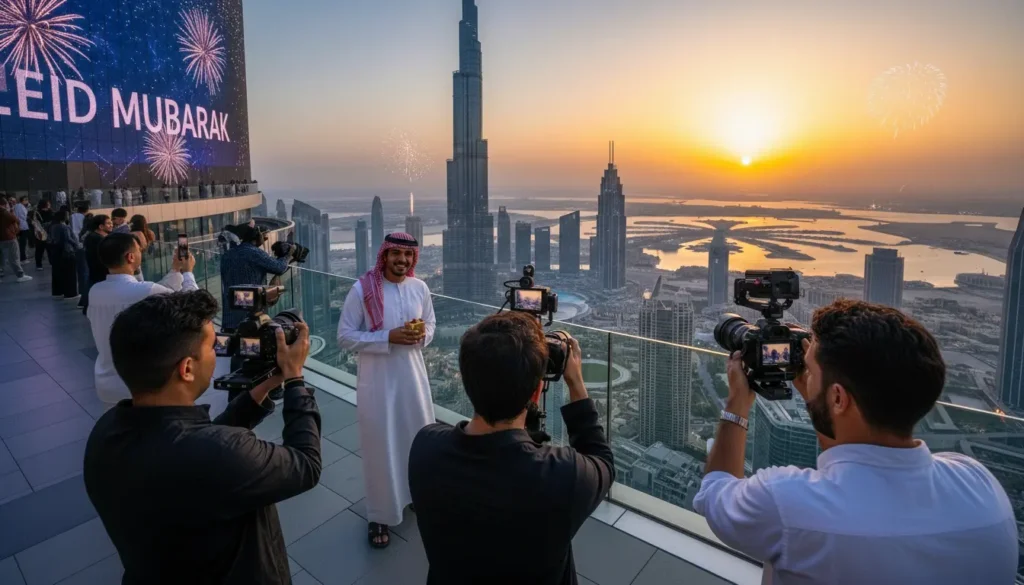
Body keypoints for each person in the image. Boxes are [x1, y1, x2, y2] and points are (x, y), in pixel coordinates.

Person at [693, 300, 1017, 585]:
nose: (803, 373)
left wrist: (738, 401)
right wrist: (820, 398)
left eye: (809, 369)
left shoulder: (787, 503)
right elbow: (854, 466)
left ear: (838, 397)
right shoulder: (980, 484)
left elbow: (713, 492)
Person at [84, 289, 320, 584]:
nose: (219, 351)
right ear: (186, 368)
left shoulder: (106, 432)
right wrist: (296, 379)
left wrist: (267, 385)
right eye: (212, 346)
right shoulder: (218, 454)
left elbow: (199, 442)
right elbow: (306, 464)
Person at [409, 312, 614, 584]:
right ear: (536, 391)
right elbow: (602, 460)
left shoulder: (425, 447)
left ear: (467, 382)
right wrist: (575, 381)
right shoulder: (562, 478)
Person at [338, 232, 436, 548]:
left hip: (413, 381)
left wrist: (423, 337)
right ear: (385, 255)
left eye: (408, 256)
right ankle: (379, 513)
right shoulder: (361, 290)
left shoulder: (420, 288)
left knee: (415, 440)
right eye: (396, 254)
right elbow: (345, 336)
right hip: (377, 383)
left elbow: (431, 324)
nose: (402, 261)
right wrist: (387, 338)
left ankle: (413, 496)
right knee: (382, 447)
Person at [87, 232, 199, 405]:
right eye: (139, 250)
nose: (142, 253)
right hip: (141, 386)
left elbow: (155, 291)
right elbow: (193, 303)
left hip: (106, 383)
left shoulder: (95, 292)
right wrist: (188, 273)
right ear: (130, 257)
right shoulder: (146, 292)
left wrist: (175, 270)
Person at [219, 224, 290, 331]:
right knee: (250, 346)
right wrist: (288, 255)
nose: (265, 239)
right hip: (250, 319)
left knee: (232, 345)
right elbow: (279, 267)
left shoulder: (227, 255)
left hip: (229, 318)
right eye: (264, 236)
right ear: (257, 236)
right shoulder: (254, 253)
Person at [81, 214, 112, 314]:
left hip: (96, 270)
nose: (111, 225)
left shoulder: (92, 236)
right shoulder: (97, 239)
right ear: (101, 226)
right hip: (100, 270)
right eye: (108, 223)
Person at [47, 210, 80, 299]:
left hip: (56, 252)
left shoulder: (52, 226)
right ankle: (71, 293)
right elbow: (68, 238)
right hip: (67, 251)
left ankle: (58, 291)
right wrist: (77, 245)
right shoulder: (65, 227)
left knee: (57, 272)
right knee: (70, 274)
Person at [0, 204, 32, 282]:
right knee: (14, 256)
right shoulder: (4, 212)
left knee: (1, 257)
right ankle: (20, 275)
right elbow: (15, 219)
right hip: (9, 236)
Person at [30, 200, 53, 271]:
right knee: (41, 250)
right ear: (45, 204)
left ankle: (44, 264)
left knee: (48, 250)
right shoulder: (37, 213)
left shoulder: (50, 211)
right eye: (48, 203)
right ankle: (39, 264)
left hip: (45, 233)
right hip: (42, 233)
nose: (49, 205)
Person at [13, 196, 29, 262]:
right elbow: (23, 216)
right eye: (26, 200)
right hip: (22, 226)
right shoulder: (20, 206)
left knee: (21, 243)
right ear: (22, 200)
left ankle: (22, 256)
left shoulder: (18, 206)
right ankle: (23, 258)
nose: (27, 201)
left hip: (20, 226)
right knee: (23, 243)